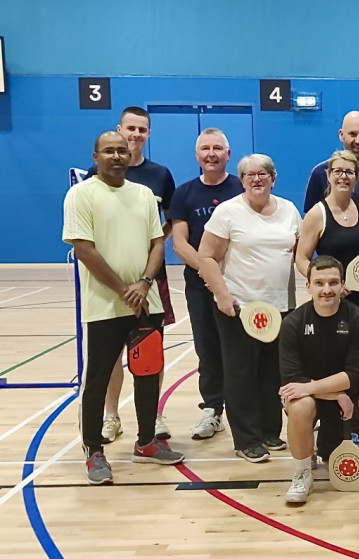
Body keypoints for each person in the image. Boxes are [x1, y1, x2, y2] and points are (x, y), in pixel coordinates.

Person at [63, 131, 185, 485]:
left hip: (146, 303)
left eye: (122, 150)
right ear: (96, 155)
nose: (117, 156)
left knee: (147, 373)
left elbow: (157, 242)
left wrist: (144, 283)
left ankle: (146, 440)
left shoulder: (144, 195)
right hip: (105, 307)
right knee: (98, 378)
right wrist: (122, 289)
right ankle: (93, 451)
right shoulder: (80, 195)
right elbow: (84, 249)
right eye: (109, 151)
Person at [198, 154, 301, 463]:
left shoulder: (289, 211)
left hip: (281, 308)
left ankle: (270, 431)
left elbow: (296, 253)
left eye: (263, 174)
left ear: (273, 178)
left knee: (273, 372)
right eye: (250, 175)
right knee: (241, 373)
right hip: (240, 307)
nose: (257, 179)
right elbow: (206, 256)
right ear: (241, 180)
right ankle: (246, 439)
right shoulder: (227, 212)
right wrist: (222, 294)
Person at [86, 107, 176, 444]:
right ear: (119, 130)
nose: (135, 136)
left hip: (151, 284)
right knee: (108, 362)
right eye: (130, 130)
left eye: (142, 130)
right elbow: (86, 245)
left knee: (150, 357)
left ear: (148, 134)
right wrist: (125, 285)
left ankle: (150, 423)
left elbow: (165, 226)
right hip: (110, 291)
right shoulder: (87, 188)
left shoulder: (158, 177)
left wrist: (147, 271)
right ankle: (110, 419)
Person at [296, 150, 359, 444]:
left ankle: (355, 426)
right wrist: (325, 284)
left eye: (350, 172)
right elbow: (301, 257)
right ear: (329, 175)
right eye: (338, 171)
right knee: (331, 365)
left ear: (357, 177)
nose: (344, 176)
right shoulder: (317, 214)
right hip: (330, 304)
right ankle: (332, 426)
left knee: (355, 367)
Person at [170, 128, 244, 440]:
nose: (211, 153)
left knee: (241, 349)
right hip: (200, 286)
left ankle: (244, 409)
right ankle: (212, 409)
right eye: (205, 148)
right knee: (207, 348)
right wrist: (209, 271)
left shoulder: (242, 189)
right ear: (197, 155)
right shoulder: (184, 193)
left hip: (240, 284)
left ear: (228, 154)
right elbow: (179, 243)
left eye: (217, 148)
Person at [279, 256, 359, 504]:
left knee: (336, 469)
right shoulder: (293, 323)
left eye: (332, 282)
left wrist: (323, 390)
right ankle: (302, 473)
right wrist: (334, 393)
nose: (327, 289)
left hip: (343, 403)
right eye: (319, 283)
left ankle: (316, 446)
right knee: (300, 405)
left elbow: (353, 375)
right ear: (307, 286)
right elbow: (291, 381)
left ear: (343, 285)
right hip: (327, 397)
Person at [303, 110, 359, 212]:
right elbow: (311, 219)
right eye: (353, 134)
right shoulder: (321, 173)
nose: (358, 141)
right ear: (341, 135)